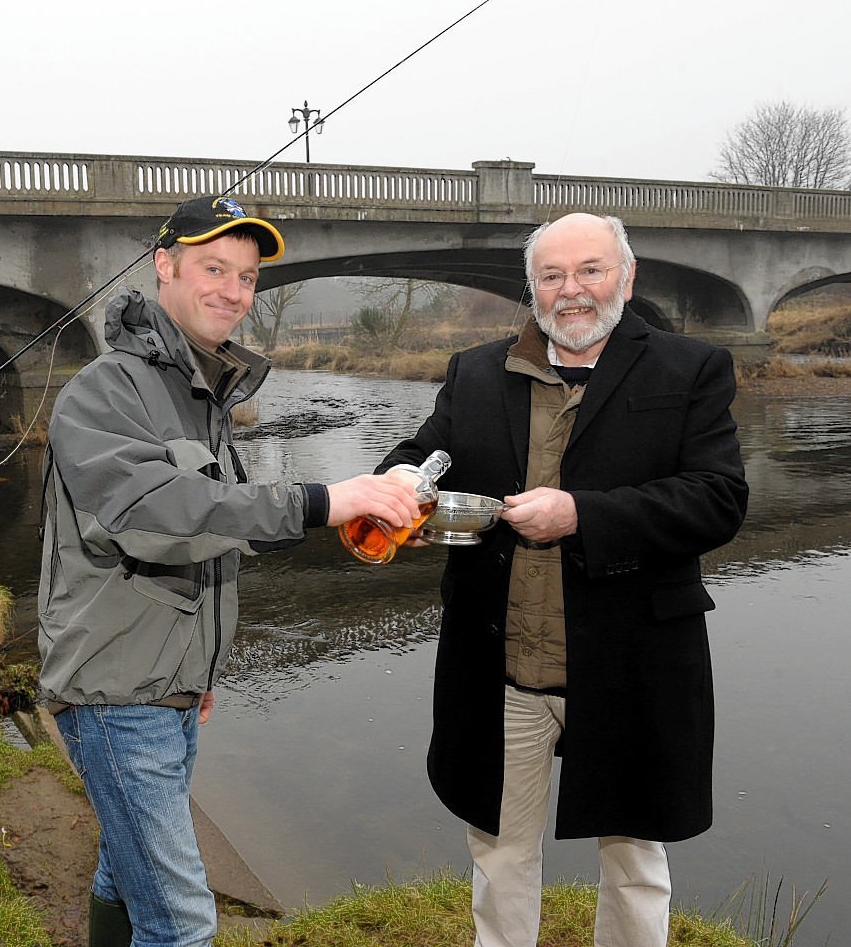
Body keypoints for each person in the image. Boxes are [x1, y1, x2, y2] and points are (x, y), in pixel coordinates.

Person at [37, 196, 428, 947]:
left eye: (246, 278)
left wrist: (200, 666)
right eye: (214, 268)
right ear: (165, 266)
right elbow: (156, 510)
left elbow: (216, 533)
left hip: (168, 688)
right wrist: (319, 499)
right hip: (116, 697)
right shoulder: (106, 390)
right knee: (183, 924)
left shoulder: (200, 391)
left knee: (125, 872)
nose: (232, 291)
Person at [378, 212, 749, 947]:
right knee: (500, 849)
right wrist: (400, 481)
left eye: (590, 271)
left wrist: (581, 513)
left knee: (635, 854)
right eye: (551, 276)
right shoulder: (476, 371)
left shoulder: (690, 368)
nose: (570, 292)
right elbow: (425, 452)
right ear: (532, 286)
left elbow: (717, 498)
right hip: (501, 666)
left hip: (631, 663)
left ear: (627, 276)